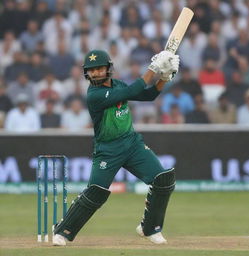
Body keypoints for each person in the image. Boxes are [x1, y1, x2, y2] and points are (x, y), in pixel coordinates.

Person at [52, 49, 179, 246]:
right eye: (91, 70)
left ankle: (150, 228)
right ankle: (63, 231)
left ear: (108, 69)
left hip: (132, 144)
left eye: (99, 69)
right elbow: (132, 91)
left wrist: (165, 77)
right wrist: (153, 68)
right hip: (108, 150)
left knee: (163, 180)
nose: (95, 73)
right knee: (96, 192)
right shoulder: (94, 95)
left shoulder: (117, 84)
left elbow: (148, 95)